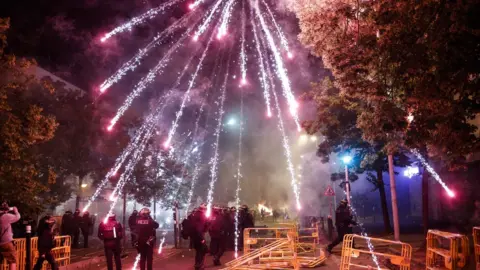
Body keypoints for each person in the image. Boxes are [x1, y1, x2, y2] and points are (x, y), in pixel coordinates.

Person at [0, 203, 21, 270]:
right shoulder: (5, 216)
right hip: (6, 242)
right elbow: (18, 217)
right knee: (13, 260)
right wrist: (16, 210)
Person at [191, 205, 208, 270]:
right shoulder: (201, 216)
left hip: (194, 236)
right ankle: (199, 265)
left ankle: (197, 264)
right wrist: (201, 239)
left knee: (198, 251)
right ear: (203, 209)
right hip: (199, 236)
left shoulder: (194, 215)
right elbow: (199, 228)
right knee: (201, 251)